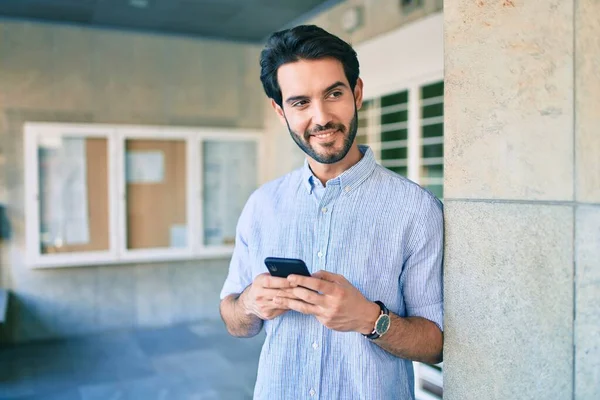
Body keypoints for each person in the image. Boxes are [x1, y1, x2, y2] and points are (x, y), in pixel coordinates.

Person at [219, 25, 444, 400]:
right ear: (280, 111)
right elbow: (234, 321)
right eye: (300, 102)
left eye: (333, 94)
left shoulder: (416, 209)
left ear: (356, 93)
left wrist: (371, 319)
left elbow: (435, 343)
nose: (321, 117)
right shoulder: (262, 204)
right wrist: (249, 303)